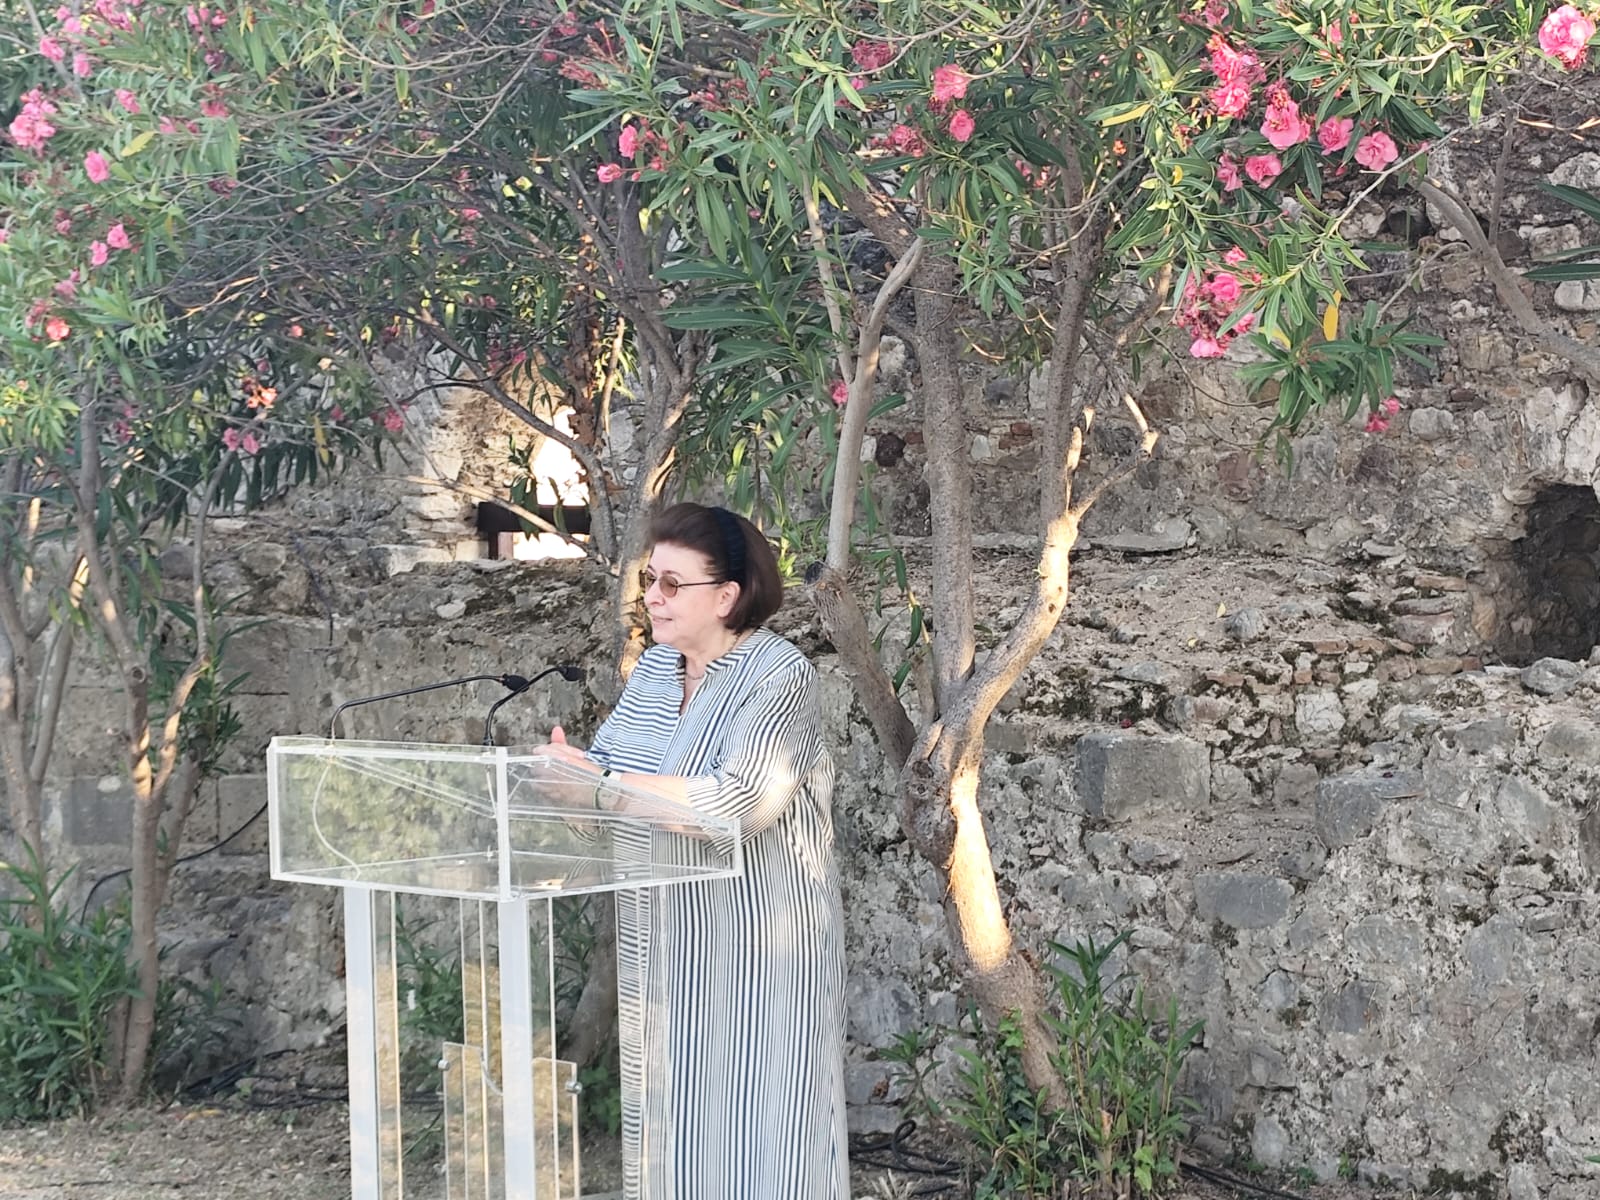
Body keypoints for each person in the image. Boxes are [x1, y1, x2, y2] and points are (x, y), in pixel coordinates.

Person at [533, 502, 848, 1200]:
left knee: (767, 1136)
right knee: (677, 1139)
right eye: (650, 579)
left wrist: (602, 788)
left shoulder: (779, 674)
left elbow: (738, 803)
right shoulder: (654, 672)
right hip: (668, 949)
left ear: (727, 596)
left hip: (761, 952)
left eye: (672, 583)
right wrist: (567, 782)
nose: (652, 596)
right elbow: (609, 785)